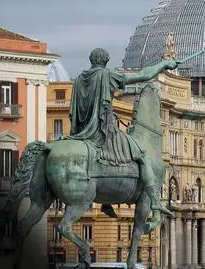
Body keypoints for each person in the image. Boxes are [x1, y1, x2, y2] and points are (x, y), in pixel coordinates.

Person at [65, 48, 177, 225]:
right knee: (141, 154)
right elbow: (143, 74)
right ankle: (155, 202)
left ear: (91, 60)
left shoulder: (79, 79)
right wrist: (164, 64)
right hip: (103, 131)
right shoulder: (107, 75)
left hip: (82, 132)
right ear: (106, 61)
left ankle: (106, 200)